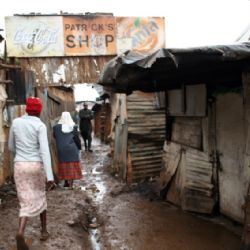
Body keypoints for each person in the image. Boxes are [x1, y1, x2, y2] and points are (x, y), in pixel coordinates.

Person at [8, 97, 55, 250]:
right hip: (36, 165)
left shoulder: (16, 123)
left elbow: (11, 147)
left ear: (27, 109)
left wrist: (20, 156)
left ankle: (21, 231)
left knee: (24, 201)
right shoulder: (40, 126)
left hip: (20, 166)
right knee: (40, 195)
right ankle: (44, 231)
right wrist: (50, 176)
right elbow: (44, 151)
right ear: (39, 110)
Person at [53, 112, 82, 189]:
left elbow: (54, 136)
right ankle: (71, 185)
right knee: (72, 166)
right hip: (72, 149)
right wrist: (79, 147)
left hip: (61, 150)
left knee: (64, 165)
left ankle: (66, 182)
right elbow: (76, 139)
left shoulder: (56, 127)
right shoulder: (73, 126)